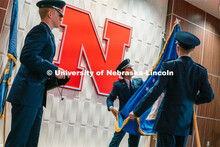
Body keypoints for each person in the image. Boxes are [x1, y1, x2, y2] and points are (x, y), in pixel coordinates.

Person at [129, 31, 214, 147]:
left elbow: (156, 90)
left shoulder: (169, 66)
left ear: (177, 48)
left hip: (167, 121)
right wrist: (193, 99)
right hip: (184, 122)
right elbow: (208, 96)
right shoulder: (200, 71)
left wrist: (137, 111)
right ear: (193, 50)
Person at [5, 0, 68, 146]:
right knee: (18, 141)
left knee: (30, 142)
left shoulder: (48, 34)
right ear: (50, 13)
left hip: (36, 96)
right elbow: (28, 56)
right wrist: (53, 70)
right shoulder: (39, 31)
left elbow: (38, 61)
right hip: (27, 94)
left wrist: (54, 72)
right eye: (60, 14)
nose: (61, 18)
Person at [106, 59, 143, 147]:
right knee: (115, 142)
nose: (132, 69)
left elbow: (148, 92)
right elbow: (110, 98)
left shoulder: (139, 82)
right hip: (123, 117)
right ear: (123, 73)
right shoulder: (118, 85)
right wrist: (111, 108)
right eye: (129, 68)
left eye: (131, 68)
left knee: (133, 143)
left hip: (135, 117)